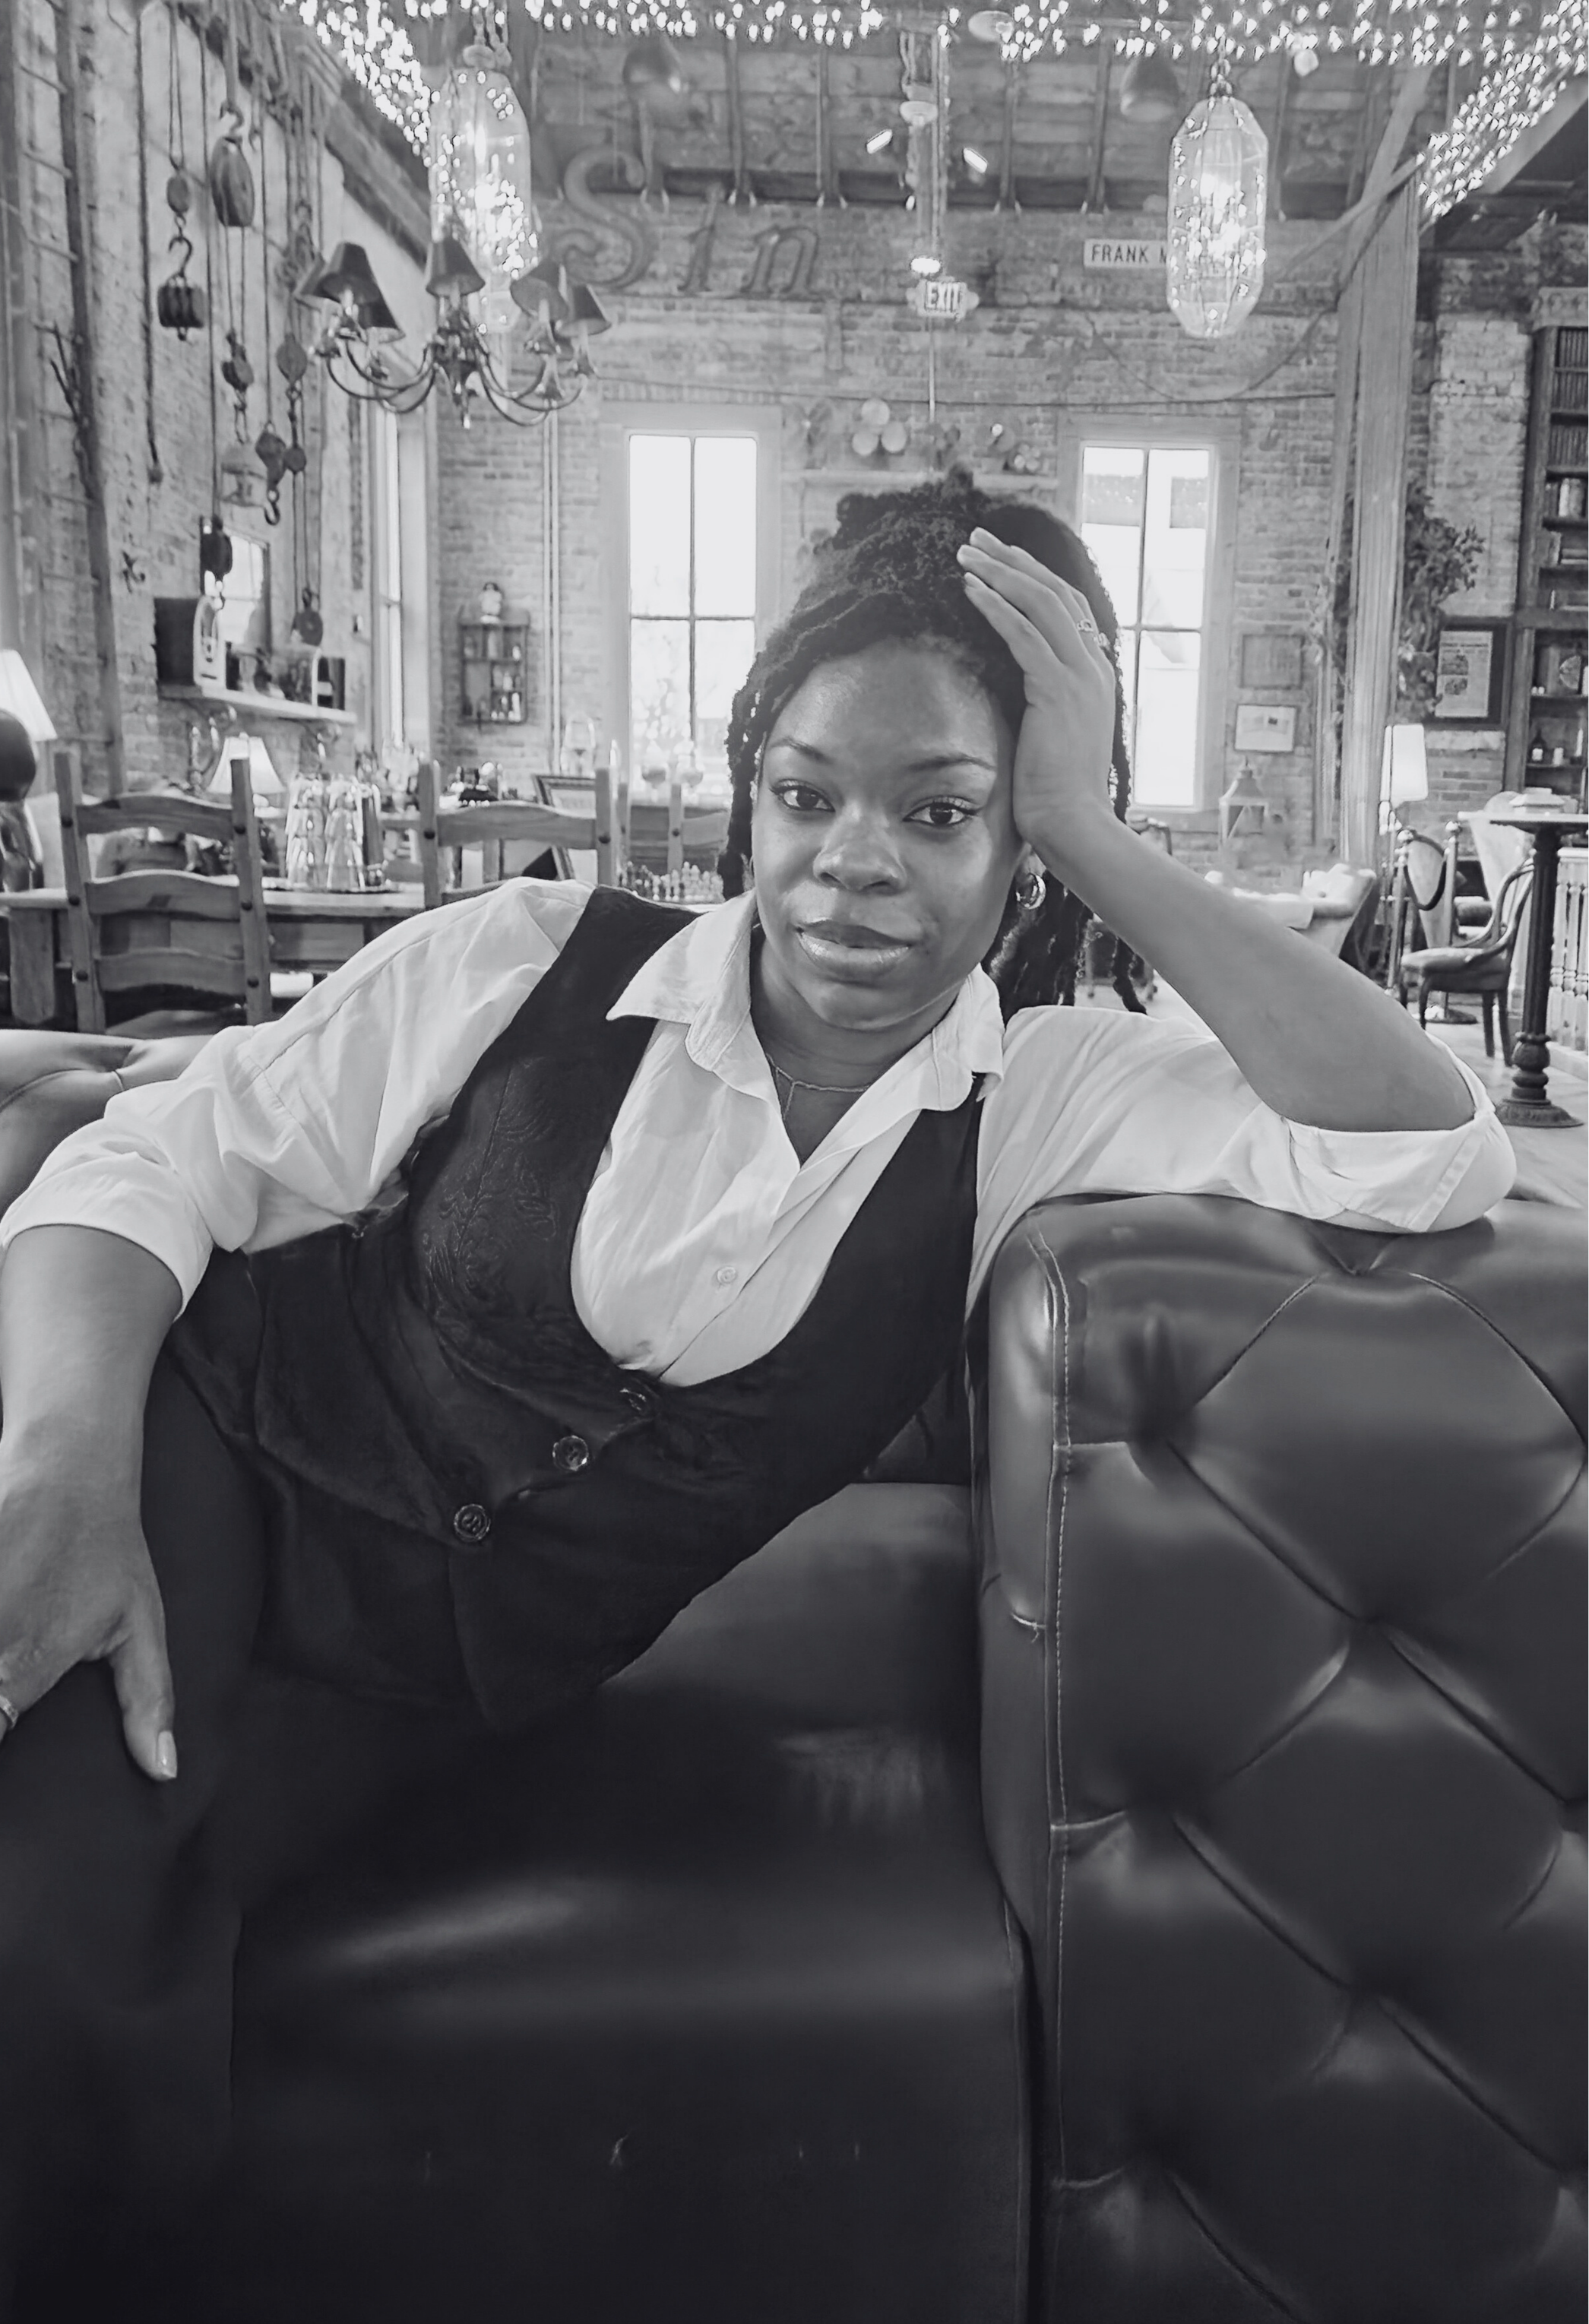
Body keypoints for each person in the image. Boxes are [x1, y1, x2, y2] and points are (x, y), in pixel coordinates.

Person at [0, 474, 1511, 2314]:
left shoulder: (1033, 1104)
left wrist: (1089, 821)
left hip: (437, 1691)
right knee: (54, 1909)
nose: (852, 861)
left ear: (1015, 849)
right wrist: (63, 1466)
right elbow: (153, 1160)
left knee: (149, 1955)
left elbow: (1423, 1144)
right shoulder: (527, 961)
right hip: (182, 1466)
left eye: (938, 812)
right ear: (747, 801)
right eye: (804, 795)